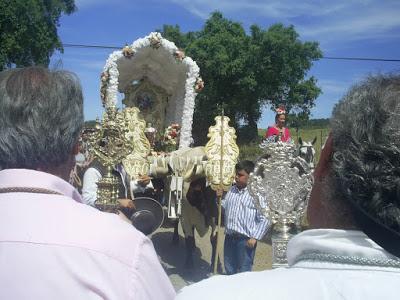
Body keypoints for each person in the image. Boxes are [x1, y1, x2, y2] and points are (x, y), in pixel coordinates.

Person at [176, 74, 400, 299]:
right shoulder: (273, 131)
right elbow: (271, 147)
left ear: (323, 161)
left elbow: (290, 147)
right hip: (272, 160)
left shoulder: (202, 295)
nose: (283, 121)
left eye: (284, 118)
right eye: (281, 117)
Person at [0, 67, 175, 299]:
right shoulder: (127, 248)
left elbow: (128, 186)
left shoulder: (120, 169)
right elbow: (90, 198)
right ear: (76, 147)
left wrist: (141, 186)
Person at [217, 160, 270, 275]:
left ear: (250, 176)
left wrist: (254, 237)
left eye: (240, 175)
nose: (236, 177)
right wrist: (219, 198)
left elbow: (266, 217)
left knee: (243, 272)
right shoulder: (231, 191)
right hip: (230, 238)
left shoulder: (257, 194)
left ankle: (242, 293)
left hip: (245, 241)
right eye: (236, 174)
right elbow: (225, 208)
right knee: (229, 269)